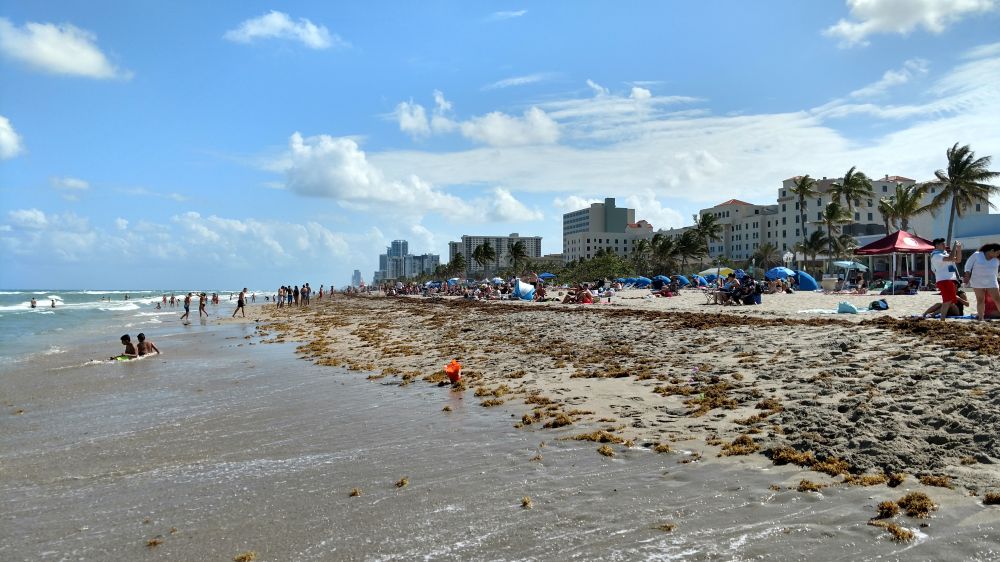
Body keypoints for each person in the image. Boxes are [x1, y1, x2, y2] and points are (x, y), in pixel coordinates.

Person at [963, 243, 1000, 321]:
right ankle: (981, 318)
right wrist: (967, 276)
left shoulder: (997, 258)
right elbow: (968, 266)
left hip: (992, 281)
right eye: (998, 252)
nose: (998, 254)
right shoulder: (977, 255)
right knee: (980, 300)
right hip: (977, 280)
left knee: (997, 299)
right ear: (992, 250)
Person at [930, 238, 963, 321]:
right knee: (948, 300)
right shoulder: (936, 255)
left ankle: (941, 318)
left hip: (949, 279)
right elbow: (950, 258)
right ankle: (942, 318)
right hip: (943, 280)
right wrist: (954, 247)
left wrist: (959, 249)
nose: (945, 245)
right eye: (942, 244)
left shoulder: (944, 254)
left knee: (949, 300)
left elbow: (958, 260)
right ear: (937, 245)